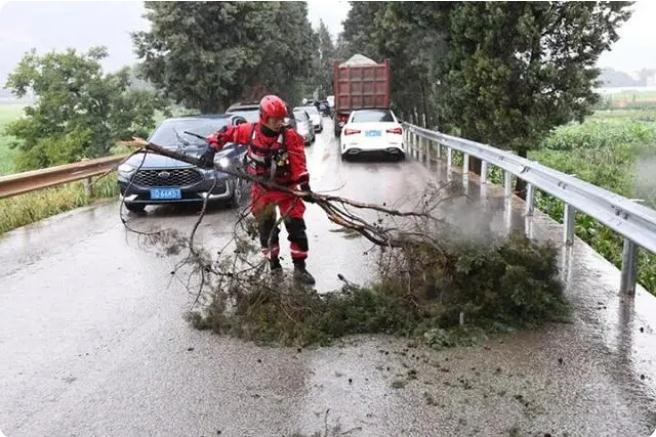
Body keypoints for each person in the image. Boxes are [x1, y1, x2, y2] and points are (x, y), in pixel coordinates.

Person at [200, 95, 316, 285]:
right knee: (267, 231)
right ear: (264, 117)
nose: (279, 123)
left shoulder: (290, 137)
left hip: (287, 191)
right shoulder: (250, 132)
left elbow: (298, 163)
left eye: (281, 118)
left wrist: (305, 186)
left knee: (297, 228)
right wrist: (211, 149)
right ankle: (274, 266)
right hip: (262, 191)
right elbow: (225, 133)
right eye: (275, 119)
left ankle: (300, 268)